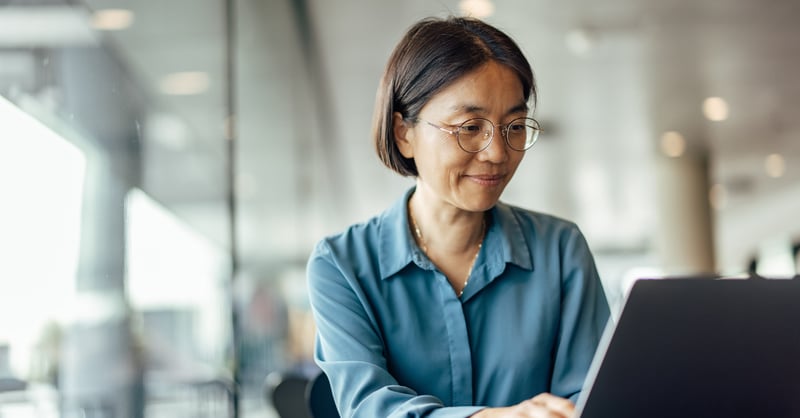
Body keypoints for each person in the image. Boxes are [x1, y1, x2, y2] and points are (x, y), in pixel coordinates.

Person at [306, 16, 610, 418]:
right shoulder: (342, 265)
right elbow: (368, 408)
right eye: (470, 127)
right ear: (403, 133)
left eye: (514, 126)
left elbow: (591, 399)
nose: (497, 154)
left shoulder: (560, 250)